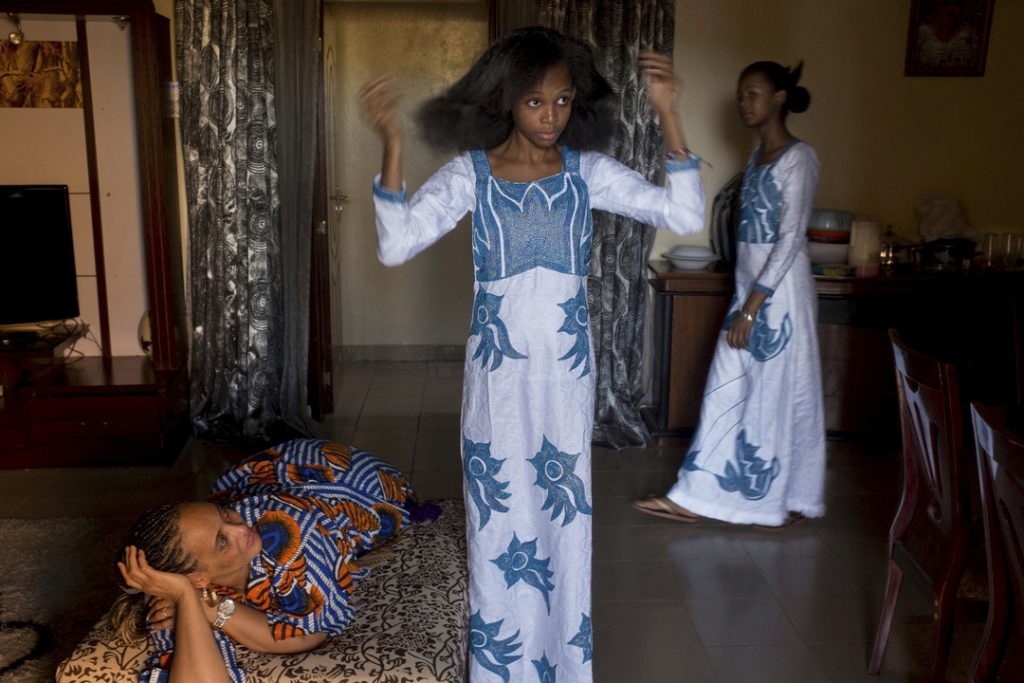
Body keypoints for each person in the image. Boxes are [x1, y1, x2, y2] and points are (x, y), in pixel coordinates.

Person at [360, 26, 705, 682]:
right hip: (495, 387)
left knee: (562, 529)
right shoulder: (471, 176)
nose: (551, 117)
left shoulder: (588, 174)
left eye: (564, 101)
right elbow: (395, 244)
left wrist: (668, 113)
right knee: (496, 531)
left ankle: (565, 668)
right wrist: (393, 144)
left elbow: (682, 213)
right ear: (506, 101)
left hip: (565, 386)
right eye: (535, 102)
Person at [633, 60, 825, 528]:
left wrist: (753, 309)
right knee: (730, 390)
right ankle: (698, 495)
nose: (744, 102)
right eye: (741, 94)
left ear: (780, 98)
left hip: (778, 299)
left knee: (775, 395)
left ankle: (784, 497)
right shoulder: (759, 155)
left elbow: (790, 239)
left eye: (753, 93)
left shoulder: (800, 159)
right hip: (750, 293)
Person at [112, 438, 427, 683]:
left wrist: (204, 605)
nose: (239, 528)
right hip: (276, 479)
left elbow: (310, 634)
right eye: (222, 540)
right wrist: (185, 596)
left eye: (224, 514)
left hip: (354, 475)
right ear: (197, 578)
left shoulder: (292, 538)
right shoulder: (184, 581)